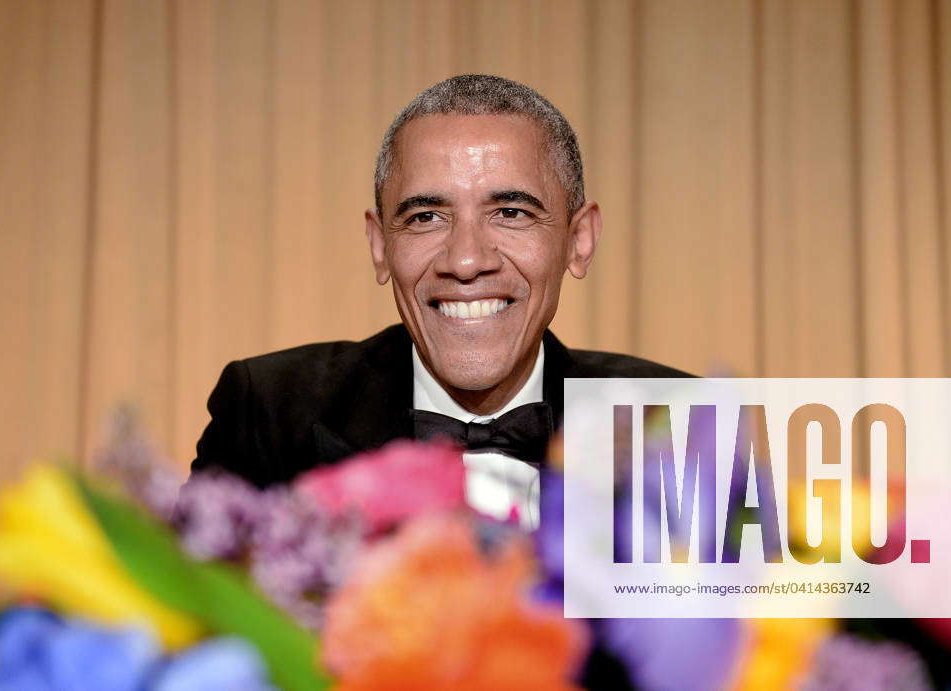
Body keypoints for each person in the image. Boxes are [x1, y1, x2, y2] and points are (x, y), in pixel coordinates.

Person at [191, 74, 688, 530]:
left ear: (579, 240)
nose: (467, 261)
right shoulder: (268, 409)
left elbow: (736, 628)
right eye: (426, 217)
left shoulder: (679, 425)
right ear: (381, 246)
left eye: (510, 212)